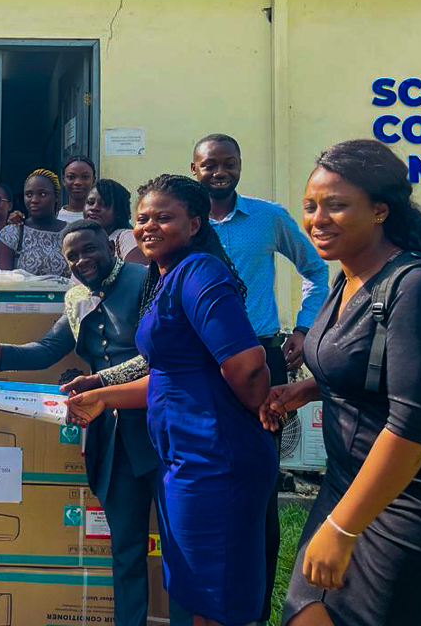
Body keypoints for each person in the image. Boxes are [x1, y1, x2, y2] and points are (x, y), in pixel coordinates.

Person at [260, 140, 421, 626]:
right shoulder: (347, 278)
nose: (317, 219)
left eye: (337, 205)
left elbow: (416, 422)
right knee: (306, 615)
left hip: (409, 501)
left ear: (380, 212)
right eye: (310, 206)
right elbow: (364, 362)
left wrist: (345, 528)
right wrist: (306, 389)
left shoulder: (416, 286)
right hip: (344, 483)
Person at [68, 175, 277, 626]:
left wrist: (257, 408)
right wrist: (104, 396)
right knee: (196, 589)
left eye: (165, 218)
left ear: (196, 223)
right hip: (183, 458)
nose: (149, 227)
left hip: (215, 459)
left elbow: (247, 365)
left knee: (216, 598)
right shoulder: (165, 279)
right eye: (142, 218)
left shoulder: (201, 272)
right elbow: (172, 376)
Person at [0, 219, 167, 626]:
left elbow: (159, 354)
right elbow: (47, 350)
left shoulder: (145, 279)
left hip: (161, 429)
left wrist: (98, 381)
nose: (82, 260)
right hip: (114, 440)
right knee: (126, 550)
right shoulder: (76, 297)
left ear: (110, 245)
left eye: (89, 249)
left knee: (178, 550)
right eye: (72, 256)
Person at [191, 133, 330, 624]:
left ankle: (257, 604)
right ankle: (206, 598)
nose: (220, 172)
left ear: (240, 166)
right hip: (200, 363)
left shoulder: (268, 217)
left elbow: (316, 269)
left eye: (229, 164)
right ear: (195, 169)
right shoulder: (184, 219)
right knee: (203, 476)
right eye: (210, 165)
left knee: (260, 481)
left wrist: (303, 326)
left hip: (261, 359)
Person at [0, 169, 70, 278]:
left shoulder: (70, 233)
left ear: (56, 197)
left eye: (42, 194)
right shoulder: (11, 233)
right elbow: (2, 281)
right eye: (28, 194)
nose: (34, 200)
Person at [83, 178, 147, 264]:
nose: (94, 208)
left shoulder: (127, 237)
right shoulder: (84, 241)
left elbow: (138, 274)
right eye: (90, 203)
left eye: (104, 204)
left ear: (119, 212)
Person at [58, 155, 97, 222]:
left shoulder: (99, 217)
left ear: (93, 180)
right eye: (71, 177)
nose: (78, 182)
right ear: (64, 180)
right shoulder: (55, 218)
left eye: (85, 177)